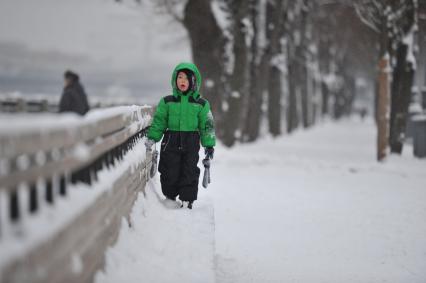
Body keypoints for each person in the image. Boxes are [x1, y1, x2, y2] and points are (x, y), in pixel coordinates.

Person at [145, 62, 216, 209]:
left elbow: (207, 125)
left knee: (189, 170)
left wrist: (209, 145)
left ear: (194, 81)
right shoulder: (167, 101)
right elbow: (159, 121)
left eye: (186, 78)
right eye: (180, 77)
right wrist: (152, 137)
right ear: (174, 80)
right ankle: (170, 197)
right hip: (171, 139)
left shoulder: (201, 104)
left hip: (191, 141)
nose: (182, 81)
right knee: (169, 169)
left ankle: (187, 200)